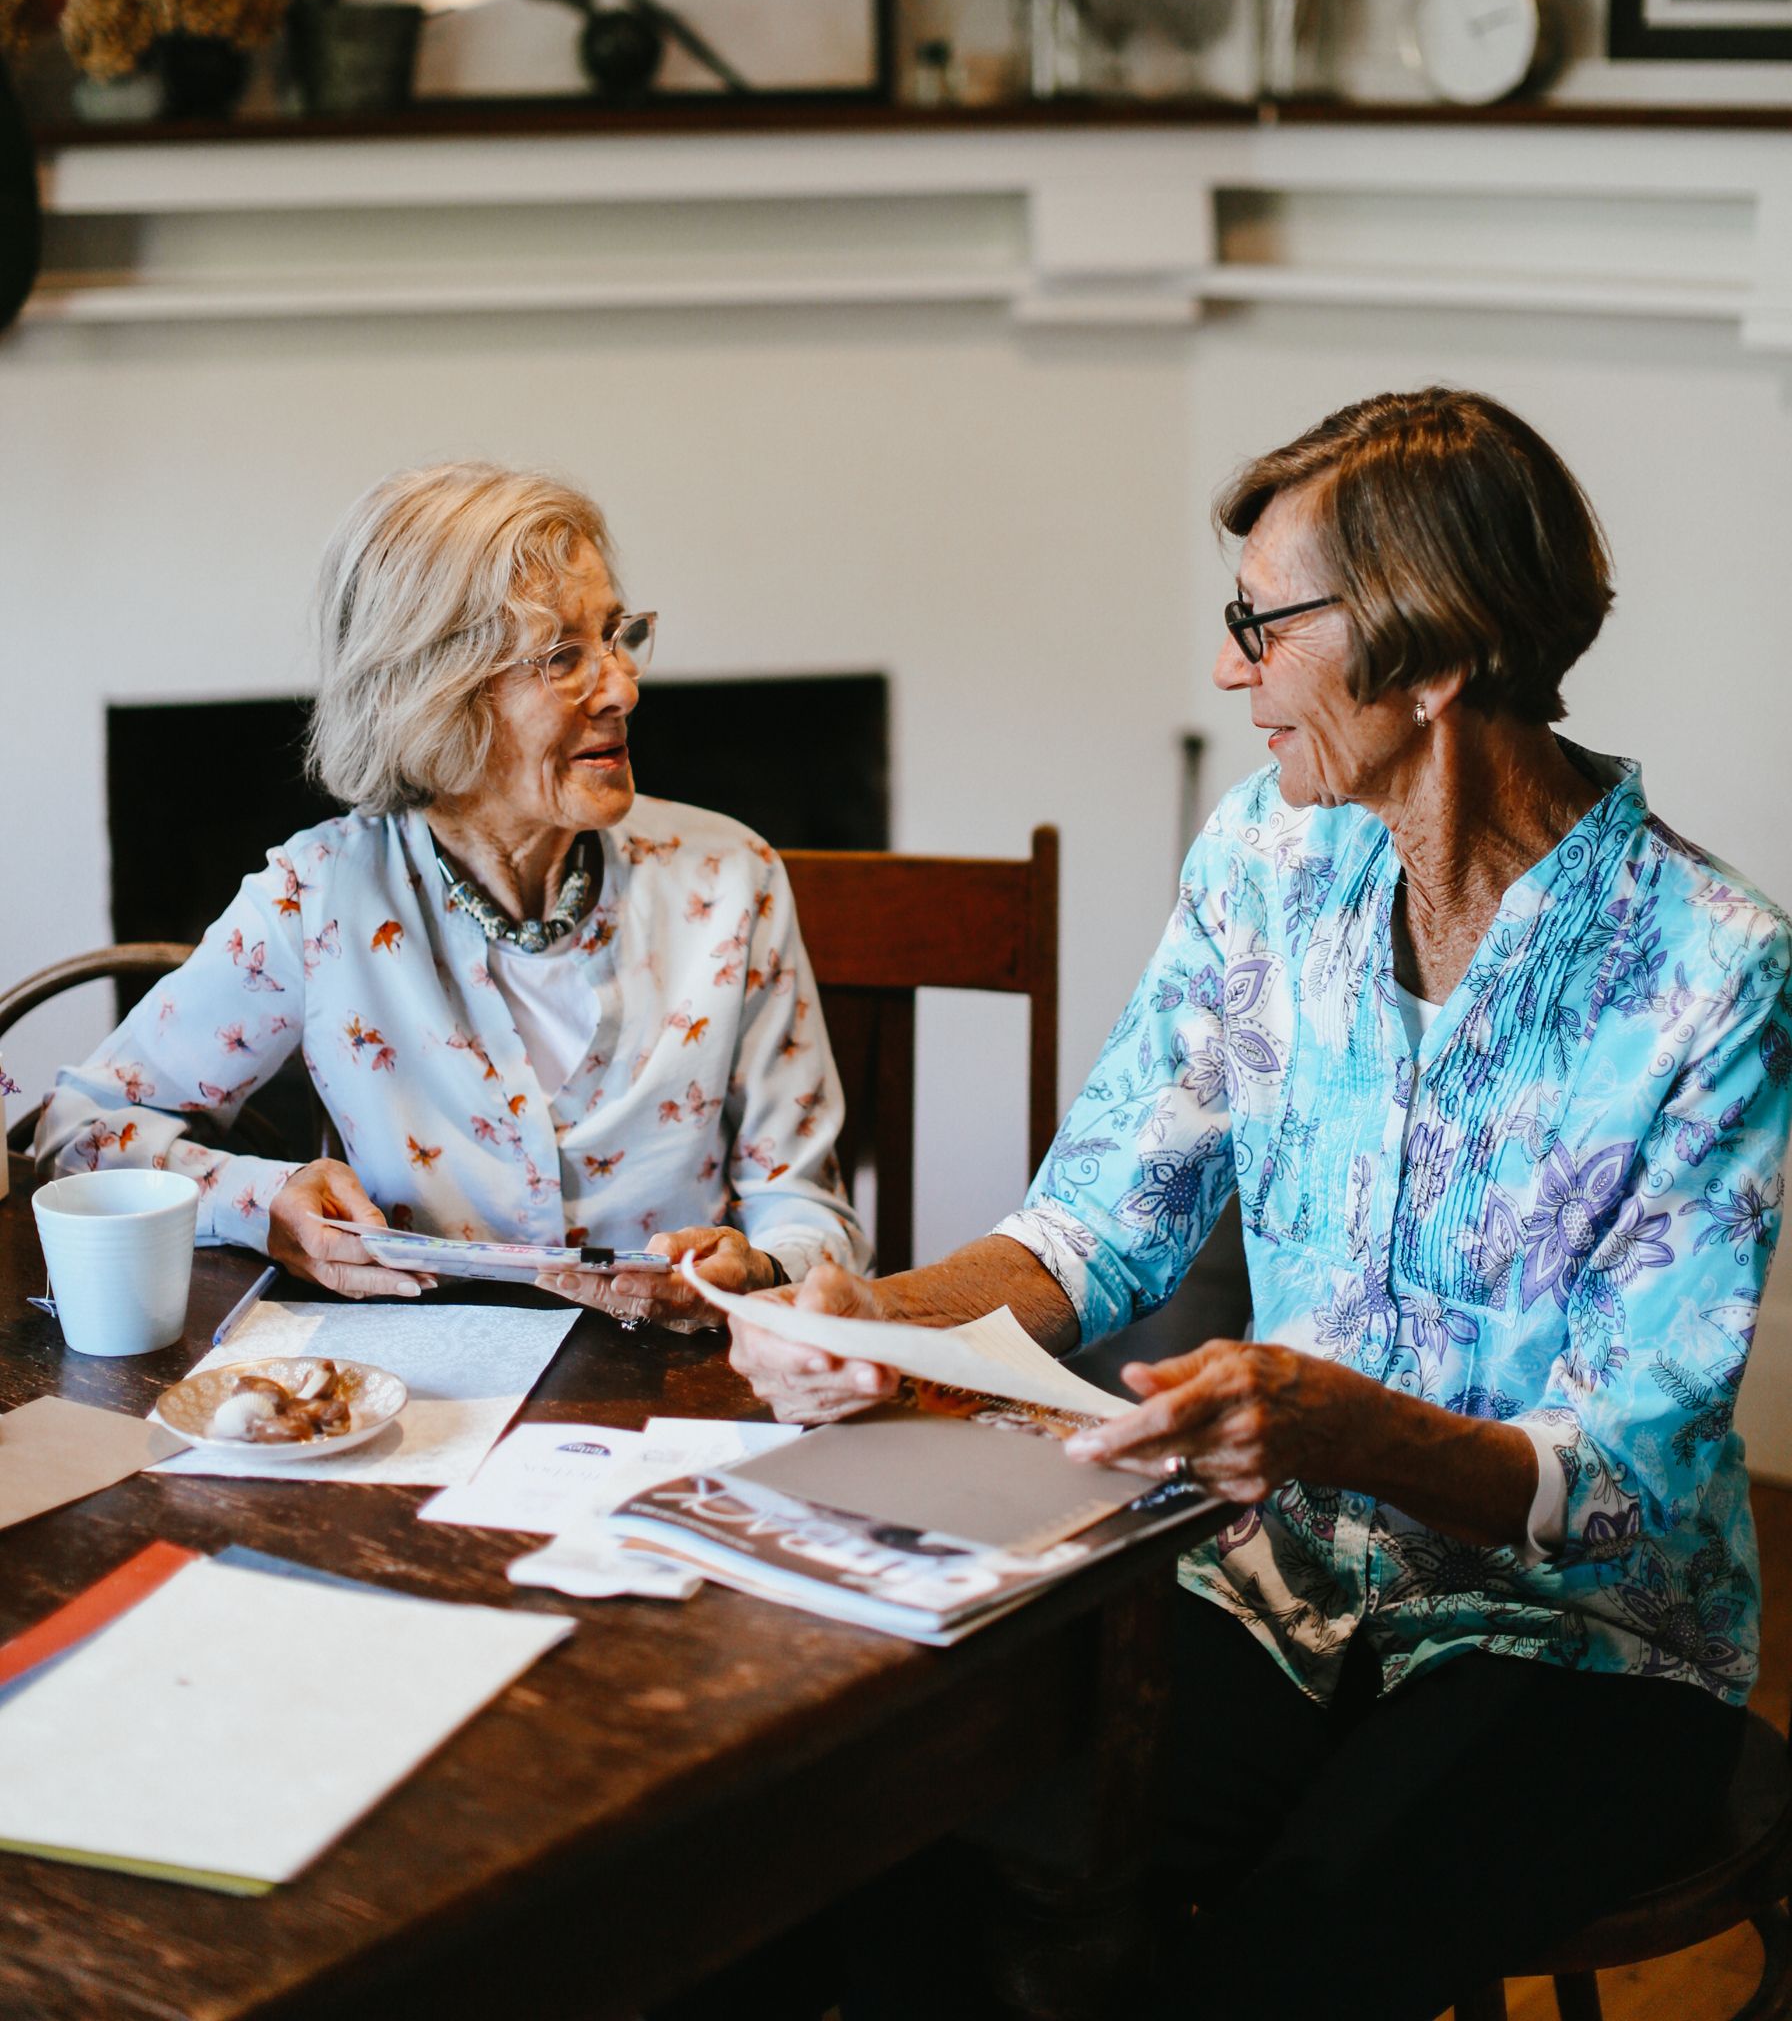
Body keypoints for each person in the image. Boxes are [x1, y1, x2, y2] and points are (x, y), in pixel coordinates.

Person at [729, 387, 1792, 2021]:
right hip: (1270, 1569)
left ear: (1429, 660)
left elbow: (1627, 1481)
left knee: (1274, 1966)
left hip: (1583, 1643)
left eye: (1262, 622)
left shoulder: (1713, 972)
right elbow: (1096, 1224)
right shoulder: (1262, 861)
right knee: (899, 1835)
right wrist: (864, 1318)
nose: (1231, 671)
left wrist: (1327, 1422)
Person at [38, 461, 865, 1328]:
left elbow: (814, 1214)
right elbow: (80, 1132)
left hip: (674, 1398)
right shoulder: (318, 899)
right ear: (436, 700)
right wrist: (263, 1202)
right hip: (416, 1410)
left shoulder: (732, 879)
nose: (622, 686)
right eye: (563, 658)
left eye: (618, 636)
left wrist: (761, 1262)